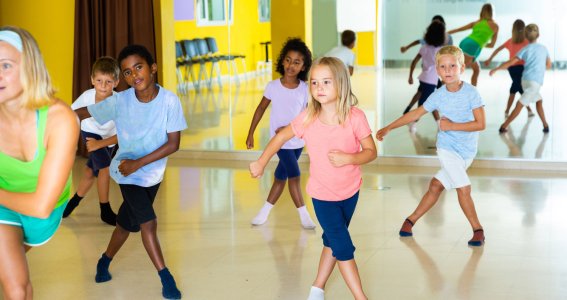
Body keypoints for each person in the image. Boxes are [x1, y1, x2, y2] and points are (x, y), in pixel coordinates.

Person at [250, 57, 377, 300]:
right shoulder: (308, 117)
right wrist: (261, 161)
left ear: (341, 84)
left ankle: (316, 289)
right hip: (322, 195)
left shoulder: (355, 117)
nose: (319, 87)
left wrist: (350, 158)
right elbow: (280, 138)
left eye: (326, 82)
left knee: (332, 239)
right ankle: (361, 297)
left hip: (350, 191)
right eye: (314, 82)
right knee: (342, 245)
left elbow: (371, 152)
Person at [74, 44, 187, 299]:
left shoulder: (169, 101)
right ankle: (166, 278)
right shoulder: (120, 100)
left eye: (139, 67)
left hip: (152, 174)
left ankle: (104, 260)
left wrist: (141, 163)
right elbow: (82, 113)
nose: (134, 75)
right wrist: (54, 119)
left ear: (153, 68)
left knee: (126, 224)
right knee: (148, 222)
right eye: (126, 72)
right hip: (126, 170)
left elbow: (173, 144)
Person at [376, 45, 486, 247]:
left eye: (453, 66)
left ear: (462, 67)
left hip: (467, 152)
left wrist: (453, 125)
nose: (448, 70)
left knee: (436, 185)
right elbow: (415, 114)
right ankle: (478, 230)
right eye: (443, 67)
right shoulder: (438, 95)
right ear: (437, 71)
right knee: (464, 188)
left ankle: (410, 221)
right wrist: (389, 127)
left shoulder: (472, 93)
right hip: (447, 149)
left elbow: (481, 124)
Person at [0, 26, 79, 299]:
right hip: (3, 204)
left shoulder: (60, 119)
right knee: (16, 289)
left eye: (5, 65)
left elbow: (41, 206)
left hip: (44, 207)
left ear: (29, 67)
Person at [246, 38, 316, 229]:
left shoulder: (304, 89)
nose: (291, 65)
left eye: (297, 62)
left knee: (280, 176)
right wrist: (251, 132)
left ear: (303, 66)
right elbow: (260, 109)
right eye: (288, 60)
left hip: (297, 142)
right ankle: (304, 215)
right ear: (282, 61)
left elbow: (309, 114)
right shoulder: (273, 87)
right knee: (294, 174)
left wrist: (295, 130)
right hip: (280, 143)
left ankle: (264, 212)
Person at [63, 56, 120, 225]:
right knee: (104, 169)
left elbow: (124, 134)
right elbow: (70, 116)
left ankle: (73, 203)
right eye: (99, 80)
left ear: (116, 82)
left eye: (108, 81)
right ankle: (105, 210)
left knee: (89, 173)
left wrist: (102, 144)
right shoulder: (87, 97)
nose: (103, 85)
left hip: (109, 139)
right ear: (92, 80)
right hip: (90, 132)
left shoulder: (119, 102)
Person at [490, 24, 551, 134]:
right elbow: (548, 65)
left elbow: (510, 62)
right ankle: (504, 126)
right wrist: (540, 69)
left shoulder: (525, 49)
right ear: (539, 35)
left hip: (526, 80)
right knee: (520, 104)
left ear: (525, 37)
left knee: (539, 101)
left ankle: (545, 125)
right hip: (535, 82)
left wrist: (497, 68)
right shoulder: (544, 49)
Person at [484, 19, 533, 117]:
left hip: (514, 68)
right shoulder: (526, 42)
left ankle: (511, 110)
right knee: (518, 88)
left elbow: (498, 49)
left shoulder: (511, 41)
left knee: (517, 87)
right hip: (519, 68)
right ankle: (522, 110)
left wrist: (490, 59)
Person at [403, 20, 446, 130]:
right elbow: (443, 67)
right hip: (431, 81)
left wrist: (410, 76)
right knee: (425, 105)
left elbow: (414, 61)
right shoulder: (440, 51)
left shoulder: (424, 47)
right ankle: (414, 123)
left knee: (425, 99)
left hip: (423, 78)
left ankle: (439, 124)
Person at [448, 3, 499, 86]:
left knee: (477, 69)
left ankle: (473, 90)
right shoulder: (495, 26)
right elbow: (492, 45)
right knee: (459, 71)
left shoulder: (477, 22)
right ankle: (444, 87)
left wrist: (445, 33)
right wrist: (481, 44)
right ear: (492, 12)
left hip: (465, 41)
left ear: (482, 12)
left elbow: (459, 29)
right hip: (474, 46)